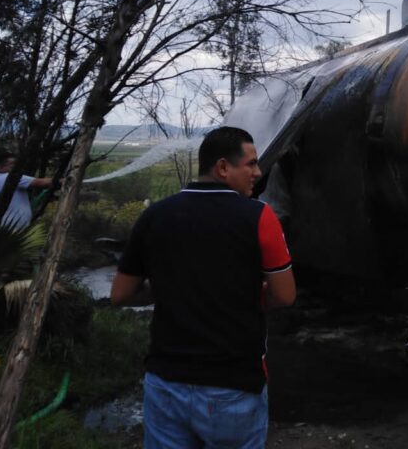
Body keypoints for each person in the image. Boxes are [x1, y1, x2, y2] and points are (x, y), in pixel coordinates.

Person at [111, 126, 295, 449]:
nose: (258, 172)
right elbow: (284, 295)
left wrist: (172, 288)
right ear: (223, 168)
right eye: (250, 164)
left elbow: (121, 294)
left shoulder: (154, 216)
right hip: (233, 385)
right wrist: (240, 292)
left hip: (166, 384)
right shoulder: (259, 217)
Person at [0, 152, 54, 231]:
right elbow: (41, 183)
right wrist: (65, 180)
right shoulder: (8, 177)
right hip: (10, 230)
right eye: (13, 164)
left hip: (5, 230)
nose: (18, 167)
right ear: (1, 167)